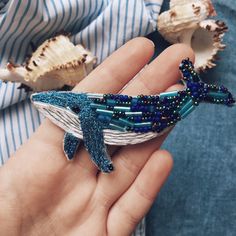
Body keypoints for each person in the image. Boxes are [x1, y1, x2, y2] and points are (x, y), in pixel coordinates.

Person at [0, 38, 194, 235]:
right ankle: (194, 92)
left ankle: (195, 92)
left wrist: (102, 161)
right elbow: (76, 129)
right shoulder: (77, 115)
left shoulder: (85, 114)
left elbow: (89, 135)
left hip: (138, 120)